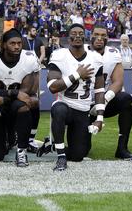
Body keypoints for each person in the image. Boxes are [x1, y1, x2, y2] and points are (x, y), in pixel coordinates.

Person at [46, 24, 104, 171]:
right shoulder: (60, 55)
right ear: (68, 37)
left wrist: (99, 119)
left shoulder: (96, 58)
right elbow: (52, 86)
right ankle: (60, 157)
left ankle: (52, 145)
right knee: (59, 109)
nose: (77, 36)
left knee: (78, 155)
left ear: (85, 36)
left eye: (80, 33)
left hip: (82, 110)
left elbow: (99, 90)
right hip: (65, 105)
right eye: (74, 33)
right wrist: (77, 75)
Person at [0, 29, 40, 166]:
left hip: (12, 105)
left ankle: (22, 151)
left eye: (19, 43)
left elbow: (26, 93)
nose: (17, 46)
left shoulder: (28, 59)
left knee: (25, 105)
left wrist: (5, 98)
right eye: (12, 43)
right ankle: (9, 137)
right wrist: (14, 93)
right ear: (4, 44)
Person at [87, 25, 132, 160]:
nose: (100, 38)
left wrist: (104, 102)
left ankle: (122, 148)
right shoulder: (82, 52)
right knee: (81, 150)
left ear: (108, 38)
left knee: (126, 99)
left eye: (103, 36)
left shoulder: (113, 53)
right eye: (96, 34)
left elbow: (118, 82)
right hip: (84, 103)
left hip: (104, 101)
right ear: (90, 36)